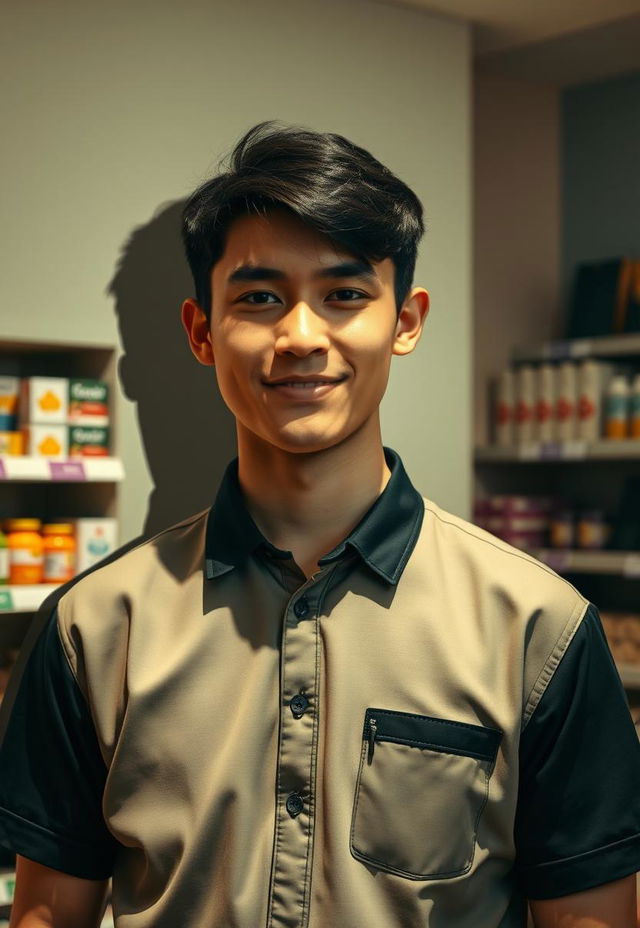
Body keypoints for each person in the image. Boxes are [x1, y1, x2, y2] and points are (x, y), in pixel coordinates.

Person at [0, 121, 639, 928]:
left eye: (344, 295)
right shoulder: (92, 628)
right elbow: (46, 915)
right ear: (201, 331)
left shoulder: (537, 631)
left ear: (406, 321)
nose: (301, 337)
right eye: (260, 297)